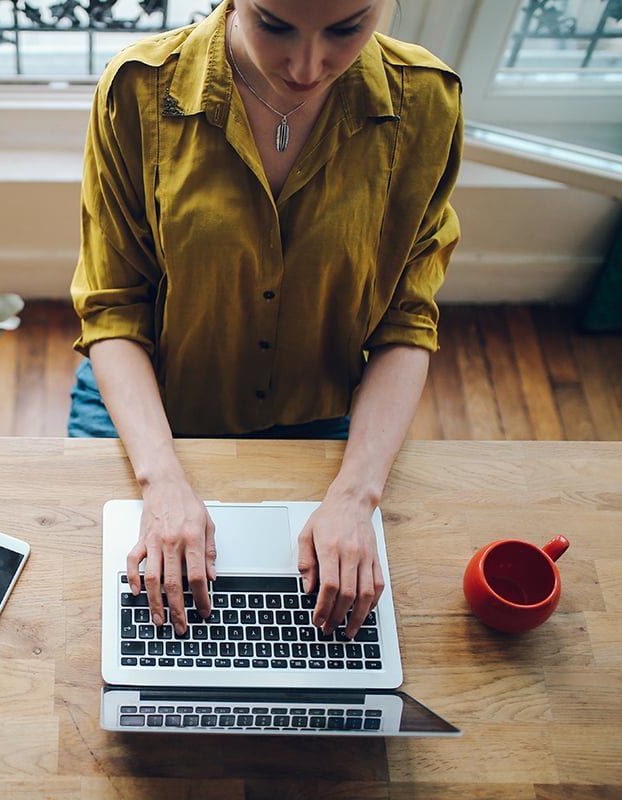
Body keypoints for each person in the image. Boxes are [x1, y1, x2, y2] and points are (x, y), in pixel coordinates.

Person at [69, 0, 462, 642]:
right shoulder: (138, 90)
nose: (308, 67)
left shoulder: (428, 104)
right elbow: (113, 308)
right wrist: (162, 480)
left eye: (346, 28)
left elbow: (405, 318)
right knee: (97, 623)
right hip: (153, 408)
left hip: (324, 416)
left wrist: (356, 496)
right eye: (274, 25)